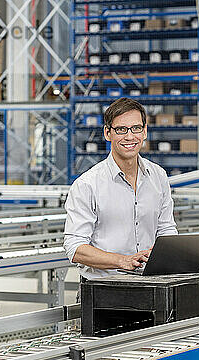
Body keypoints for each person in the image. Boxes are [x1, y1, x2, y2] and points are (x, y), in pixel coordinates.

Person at [63, 98, 178, 280]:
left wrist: (167, 254)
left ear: (145, 131)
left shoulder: (158, 176)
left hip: (150, 283)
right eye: (121, 130)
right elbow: (74, 247)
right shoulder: (87, 184)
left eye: (136, 128)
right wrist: (122, 261)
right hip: (103, 289)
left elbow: (166, 229)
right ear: (108, 133)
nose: (130, 136)